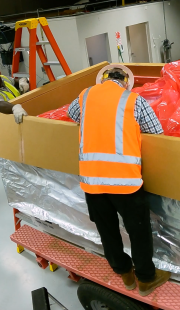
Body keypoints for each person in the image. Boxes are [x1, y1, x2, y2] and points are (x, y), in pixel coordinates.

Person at [66, 64, 170, 297]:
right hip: (125, 182)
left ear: (101, 81)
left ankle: (124, 273)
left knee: (107, 230)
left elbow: (71, 114)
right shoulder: (134, 100)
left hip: (92, 181)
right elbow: (157, 133)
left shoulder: (85, 96)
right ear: (125, 82)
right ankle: (145, 279)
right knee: (138, 231)